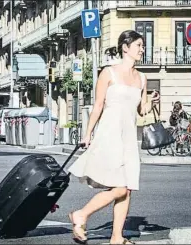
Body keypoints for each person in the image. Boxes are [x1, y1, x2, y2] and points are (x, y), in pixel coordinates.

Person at [67, 30, 160, 244]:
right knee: (120, 187)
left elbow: (141, 110)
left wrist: (151, 102)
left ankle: (117, 237)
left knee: (127, 190)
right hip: (109, 133)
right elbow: (98, 105)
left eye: (142, 45)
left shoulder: (142, 78)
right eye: (138, 45)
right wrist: (87, 133)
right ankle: (81, 214)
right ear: (125, 47)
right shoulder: (109, 73)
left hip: (128, 137)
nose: (142, 49)